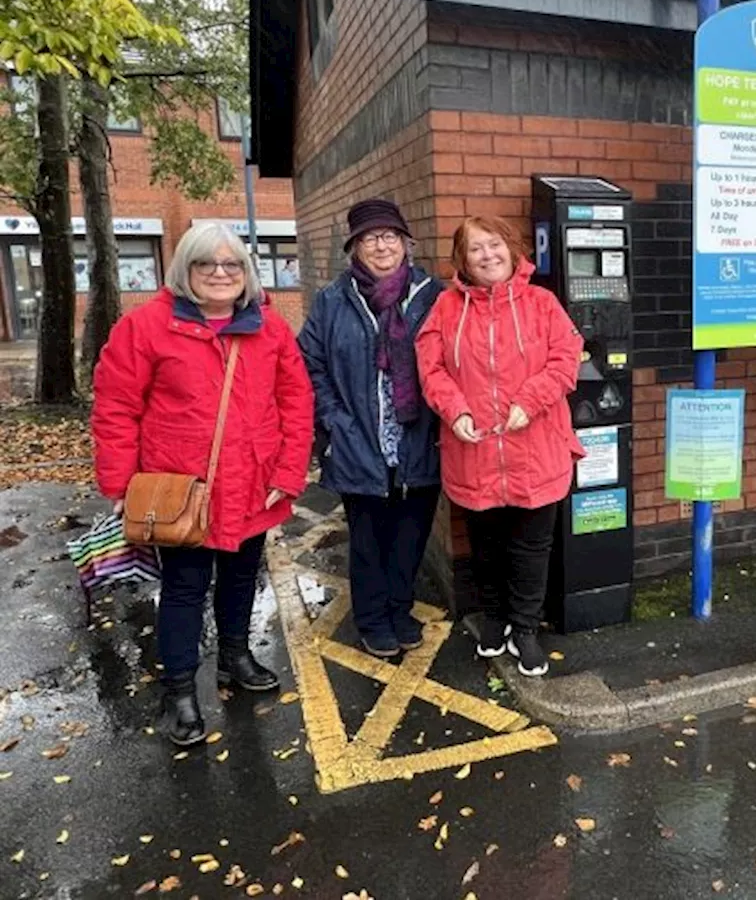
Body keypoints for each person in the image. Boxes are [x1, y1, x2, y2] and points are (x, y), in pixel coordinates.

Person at [92, 223, 314, 746]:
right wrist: (121, 483)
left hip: (254, 482)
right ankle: (180, 690)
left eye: (232, 265)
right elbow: (116, 407)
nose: (220, 273)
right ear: (184, 271)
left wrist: (288, 472)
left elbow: (297, 402)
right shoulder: (145, 327)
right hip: (180, 490)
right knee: (185, 589)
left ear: (246, 274)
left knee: (241, 577)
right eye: (206, 264)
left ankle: (235, 656)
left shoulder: (270, 328)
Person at [416, 216, 584, 677]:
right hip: (474, 450)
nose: (487, 255)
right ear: (462, 260)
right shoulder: (446, 309)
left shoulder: (543, 303)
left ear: (511, 249)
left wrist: (530, 402)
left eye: (494, 245)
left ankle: (526, 628)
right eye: (475, 249)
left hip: (536, 448)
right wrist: (456, 411)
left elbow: (566, 360)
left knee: (531, 547)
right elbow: (431, 370)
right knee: (486, 545)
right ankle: (495, 618)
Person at [298, 198, 445, 658]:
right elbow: (310, 364)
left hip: (418, 439)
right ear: (355, 249)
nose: (381, 246)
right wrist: (334, 421)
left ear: (405, 243)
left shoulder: (432, 295)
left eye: (389, 236)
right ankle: (372, 617)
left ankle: (400, 610)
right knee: (367, 539)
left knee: (410, 536)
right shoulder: (333, 300)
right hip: (358, 440)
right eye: (369, 238)